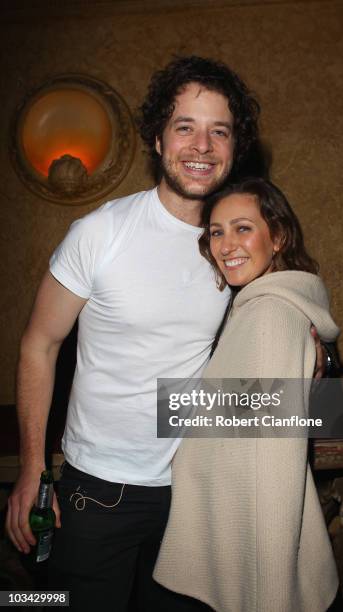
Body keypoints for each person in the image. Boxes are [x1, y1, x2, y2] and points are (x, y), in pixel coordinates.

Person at [6, 56, 326, 611]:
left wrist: (310, 353)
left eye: (218, 131)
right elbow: (40, 342)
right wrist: (34, 466)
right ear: (157, 139)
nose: (201, 146)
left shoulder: (235, 249)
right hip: (94, 492)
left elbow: (273, 327)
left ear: (234, 146)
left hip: (194, 493)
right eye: (185, 127)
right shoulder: (100, 232)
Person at [154, 178, 340, 612]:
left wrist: (270, 589)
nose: (226, 244)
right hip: (226, 534)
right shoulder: (255, 305)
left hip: (248, 557)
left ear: (277, 237)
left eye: (243, 228)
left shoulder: (269, 315)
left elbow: (272, 460)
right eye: (217, 231)